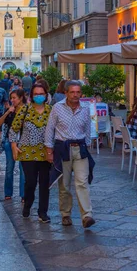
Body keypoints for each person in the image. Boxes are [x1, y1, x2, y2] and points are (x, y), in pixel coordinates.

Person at [45, 80, 96, 228]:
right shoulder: (57, 108)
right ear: (66, 93)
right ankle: (65, 214)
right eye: (72, 92)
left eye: (78, 92)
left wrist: (87, 145)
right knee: (65, 185)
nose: (75, 95)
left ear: (81, 93)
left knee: (82, 182)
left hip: (80, 148)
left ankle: (87, 215)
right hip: (63, 148)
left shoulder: (85, 108)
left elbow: (87, 128)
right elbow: (50, 129)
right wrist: (49, 150)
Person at [10, 84, 52, 223]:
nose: (39, 96)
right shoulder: (25, 110)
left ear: (46, 95)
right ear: (32, 96)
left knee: (45, 183)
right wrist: (14, 145)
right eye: (36, 93)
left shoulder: (51, 111)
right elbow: (14, 128)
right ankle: (28, 203)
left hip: (45, 151)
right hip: (27, 151)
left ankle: (43, 212)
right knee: (30, 182)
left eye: (42, 93)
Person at [0, 89, 27, 201]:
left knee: (23, 169)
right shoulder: (9, 111)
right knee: (9, 167)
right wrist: (8, 112)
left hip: (24, 142)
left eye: (14, 98)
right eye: (11, 98)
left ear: (21, 98)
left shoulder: (27, 110)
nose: (12, 100)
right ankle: (8, 193)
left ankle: (23, 194)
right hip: (10, 142)